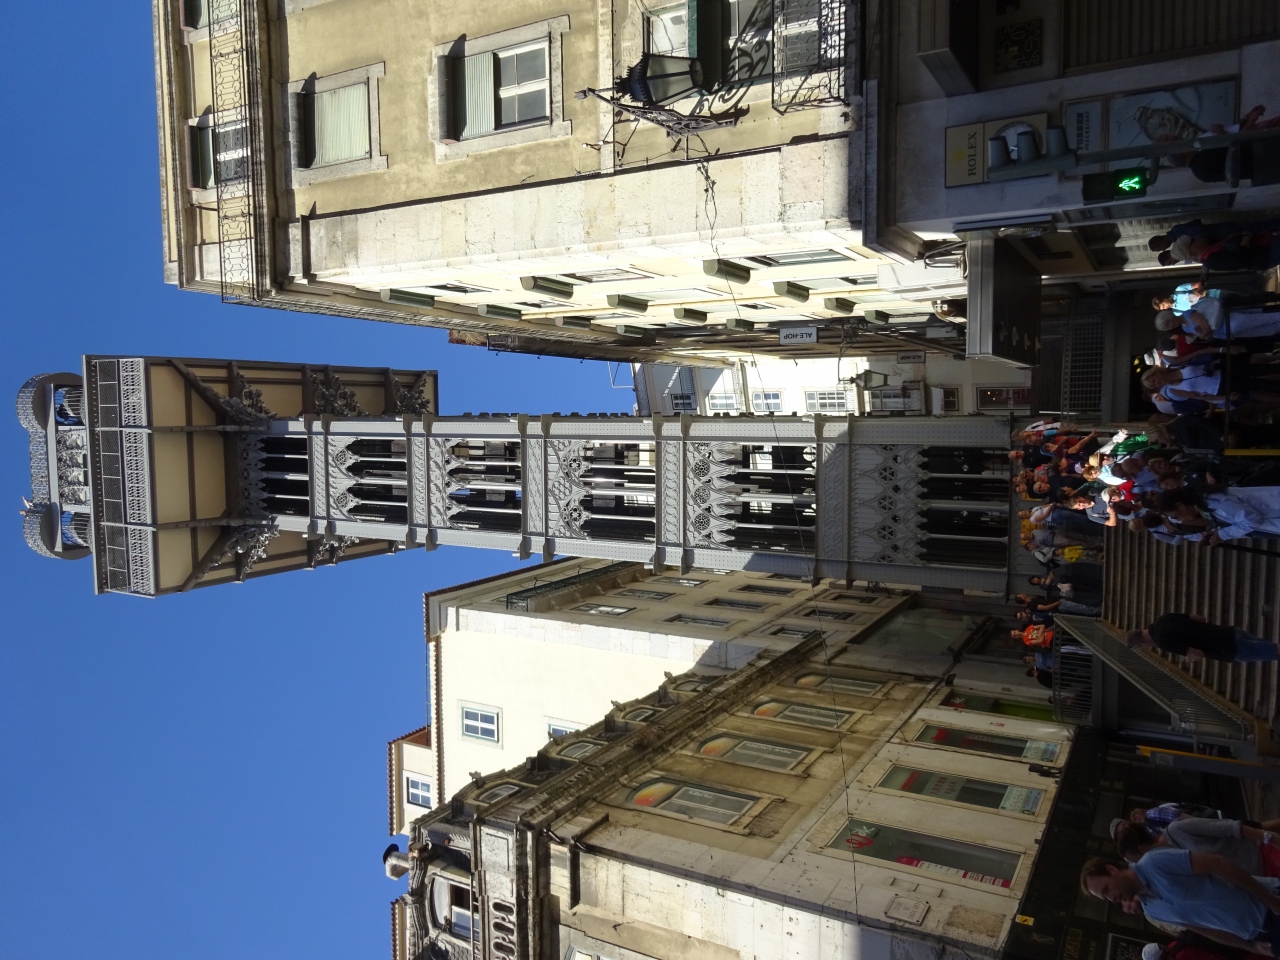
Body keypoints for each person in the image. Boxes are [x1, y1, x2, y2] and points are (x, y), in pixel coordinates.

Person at [1080, 851, 1280, 955]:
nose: (1111, 898)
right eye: (1105, 898)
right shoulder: (1152, 911)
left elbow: (1217, 863)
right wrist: (1249, 946)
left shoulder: (1153, 862)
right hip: (1259, 936)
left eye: (1106, 889)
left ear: (1112, 870)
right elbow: (1203, 928)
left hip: (1268, 907)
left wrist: (1270, 900)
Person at [1127, 613, 1280, 664]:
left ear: (1140, 643)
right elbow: (1199, 618)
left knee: (1275, 651)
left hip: (1227, 648)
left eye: (1143, 647)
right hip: (1229, 632)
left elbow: (1198, 654)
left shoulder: (1163, 642)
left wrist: (1189, 658)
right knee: (1273, 649)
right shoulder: (1163, 619)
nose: (1148, 648)